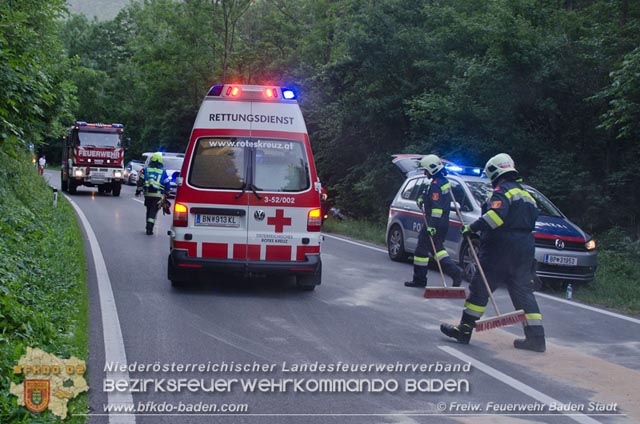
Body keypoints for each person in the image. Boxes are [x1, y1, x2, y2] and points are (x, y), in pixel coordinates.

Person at [440, 153, 546, 352]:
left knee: (481, 287)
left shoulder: (501, 192)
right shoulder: (526, 195)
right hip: (524, 247)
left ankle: (464, 330)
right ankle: (537, 339)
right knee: (523, 291)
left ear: (495, 172)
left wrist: (472, 229)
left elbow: (495, 218)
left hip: (500, 247)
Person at [404, 154, 464, 288]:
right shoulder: (442, 182)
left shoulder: (436, 185)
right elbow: (434, 198)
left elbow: (437, 208)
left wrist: (431, 226)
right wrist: (423, 198)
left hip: (434, 222)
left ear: (432, 169)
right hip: (442, 223)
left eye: (426, 170)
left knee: (421, 251)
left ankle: (420, 279)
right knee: (437, 250)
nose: (425, 173)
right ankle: (454, 272)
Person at [136, 152, 170, 235]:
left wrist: (138, 191)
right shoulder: (163, 172)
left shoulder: (146, 170)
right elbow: (167, 184)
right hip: (158, 195)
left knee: (149, 210)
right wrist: (167, 192)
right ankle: (149, 228)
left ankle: (148, 226)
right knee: (153, 211)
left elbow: (140, 181)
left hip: (148, 194)